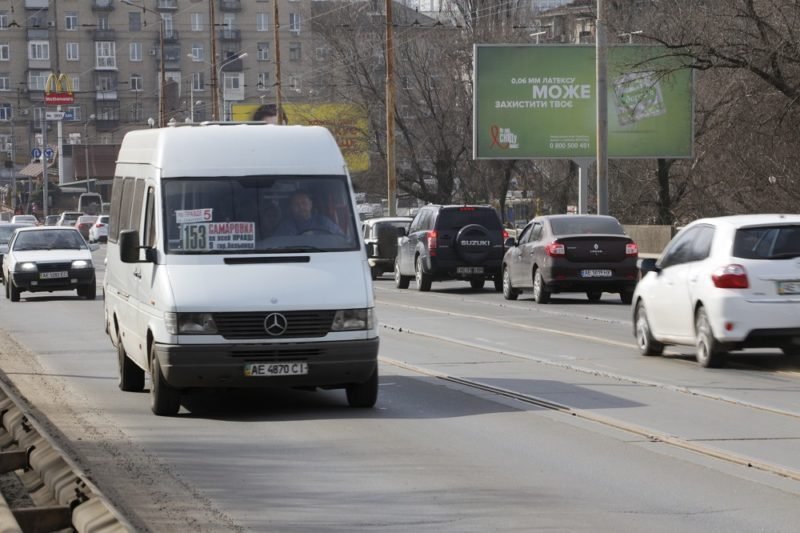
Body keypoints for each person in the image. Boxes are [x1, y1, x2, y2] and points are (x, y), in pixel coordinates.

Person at [273, 191, 343, 236]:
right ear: (291, 207)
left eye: (304, 203)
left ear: (311, 204)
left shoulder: (323, 222)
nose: (301, 207)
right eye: (296, 204)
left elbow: (341, 238)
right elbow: (276, 244)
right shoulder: (285, 226)